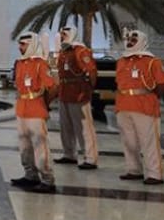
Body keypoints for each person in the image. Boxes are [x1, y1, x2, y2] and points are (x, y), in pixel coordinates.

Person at [115, 30, 164, 185]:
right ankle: (134, 170)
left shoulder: (152, 61)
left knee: (149, 141)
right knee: (129, 141)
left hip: (144, 106)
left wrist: (150, 96)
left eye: (134, 39)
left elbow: (163, 84)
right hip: (123, 105)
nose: (130, 42)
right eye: (129, 39)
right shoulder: (121, 61)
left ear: (142, 41)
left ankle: (155, 174)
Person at [11, 32, 59, 193]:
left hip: (36, 109)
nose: (20, 47)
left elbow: (53, 87)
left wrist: (45, 103)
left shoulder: (40, 64)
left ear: (31, 45)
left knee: (40, 145)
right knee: (24, 145)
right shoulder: (20, 63)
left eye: (23, 44)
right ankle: (30, 175)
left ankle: (47, 179)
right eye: (20, 44)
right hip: (22, 108)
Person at [54, 26, 99, 170]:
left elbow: (91, 72)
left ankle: (90, 158)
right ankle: (69, 154)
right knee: (65, 126)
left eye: (64, 34)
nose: (62, 37)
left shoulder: (80, 51)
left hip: (78, 94)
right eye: (61, 34)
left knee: (84, 128)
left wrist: (87, 90)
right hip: (64, 93)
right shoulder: (64, 52)